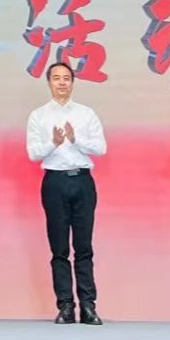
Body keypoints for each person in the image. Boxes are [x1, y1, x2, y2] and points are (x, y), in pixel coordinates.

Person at [25, 61, 106, 325]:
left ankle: (89, 306)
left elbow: (100, 148)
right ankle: (66, 306)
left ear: (73, 82)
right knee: (59, 248)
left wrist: (75, 140)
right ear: (49, 82)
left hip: (82, 182)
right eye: (56, 78)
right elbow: (33, 153)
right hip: (54, 183)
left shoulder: (86, 114)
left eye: (66, 78)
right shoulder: (38, 116)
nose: (61, 82)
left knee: (84, 247)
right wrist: (54, 143)